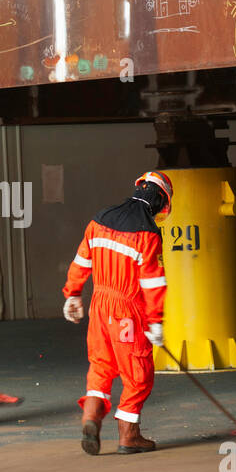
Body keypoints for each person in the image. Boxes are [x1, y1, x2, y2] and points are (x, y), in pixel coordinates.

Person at [63, 170, 171, 455]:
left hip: (99, 304)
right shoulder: (148, 233)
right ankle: (129, 434)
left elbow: (81, 259)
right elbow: (153, 282)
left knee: (100, 365)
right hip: (128, 310)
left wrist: (73, 294)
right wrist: (156, 321)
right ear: (161, 202)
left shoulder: (100, 218)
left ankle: (91, 418)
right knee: (138, 372)